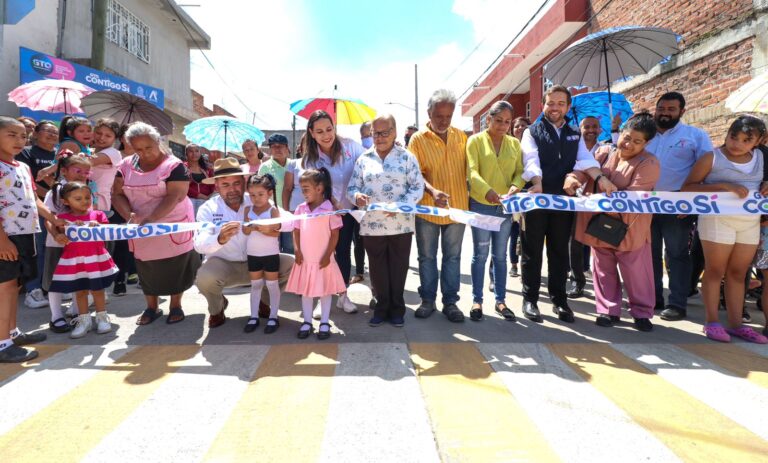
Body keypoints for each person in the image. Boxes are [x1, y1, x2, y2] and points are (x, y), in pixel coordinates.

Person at [520, 85, 617, 323]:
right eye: (551, 103)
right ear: (543, 104)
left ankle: (559, 300)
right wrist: (537, 181)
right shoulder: (532, 131)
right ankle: (530, 299)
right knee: (532, 251)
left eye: (560, 104)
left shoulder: (575, 132)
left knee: (559, 251)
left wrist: (601, 178)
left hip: (564, 201)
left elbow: (585, 160)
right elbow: (530, 160)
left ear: (568, 106)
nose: (555, 108)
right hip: (537, 197)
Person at [568, 112, 660, 331]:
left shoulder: (650, 163)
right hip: (599, 225)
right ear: (621, 132)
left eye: (637, 142)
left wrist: (600, 194)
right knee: (602, 270)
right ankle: (607, 310)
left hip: (631, 227)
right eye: (626, 137)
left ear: (646, 143)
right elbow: (583, 170)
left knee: (637, 273)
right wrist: (573, 179)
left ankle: (641, 312)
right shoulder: (603, 152)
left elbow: (631, 196)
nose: (628, 144)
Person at [681, 115, 768, 343]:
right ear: (727, 134)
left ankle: (736, 325)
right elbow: (688, 188)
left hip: (750, 222)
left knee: (739, 274)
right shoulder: (712, 157)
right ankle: (711, 322)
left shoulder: (761, 157)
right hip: (717, 220)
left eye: (745, 140)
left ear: (758, 142)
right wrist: (724, 186)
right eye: (733, 136)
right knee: (715, 271)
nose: (737, 143)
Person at [111, 122, 200, 326]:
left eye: (148, 147)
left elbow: (175, 196)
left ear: (157, 142)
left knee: (175, 266)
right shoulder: (125, 166)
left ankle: (175, 305)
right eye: (138, 149)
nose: (144, 153)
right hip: (140, 225)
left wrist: (151, 219)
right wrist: (130, 216)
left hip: (170, 222)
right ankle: (151, 306)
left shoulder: (174, 165)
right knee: (146, 266)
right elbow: (116, 194)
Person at [194, 158, 294, 327]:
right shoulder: (208, 209)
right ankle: (217, 309)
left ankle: (264, 302)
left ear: (244, 182)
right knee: (204, 277)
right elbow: (199, 244)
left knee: (293, 264)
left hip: (259, 262)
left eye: (236, 183)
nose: (232, 189)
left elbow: (291, 220)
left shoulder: (256, 197)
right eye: (225, 185)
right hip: (225, 266)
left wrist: (274, 226)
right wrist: (219, 239)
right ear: (216, 186)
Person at [283, 110, 365, 315]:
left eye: (329, 129)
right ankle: (322, 297)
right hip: (323, 215)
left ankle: (343, 296)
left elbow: (366, 167)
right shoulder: (309, 160)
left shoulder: (351, 146)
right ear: (311, 133)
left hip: (349, 211)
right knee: (322, 255)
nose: (326, 135)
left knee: (343, 252)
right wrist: (332, 203)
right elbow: (313, 187)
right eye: (319, 131)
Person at [348, 114, 425, 327]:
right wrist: (357, 197)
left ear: (395, 132)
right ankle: (381, 308)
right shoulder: (364, 159)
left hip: (400, 224)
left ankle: (397, 310)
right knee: (377, 269)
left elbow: (418, 187)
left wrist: (402, 205)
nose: (380, 137)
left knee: (398, 267)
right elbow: (352, 188)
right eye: (375, 133)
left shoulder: (407, 157)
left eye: (385, 132)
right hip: (372, 225)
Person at [0, 117, 63, 363]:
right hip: (6, 237)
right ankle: (2, 344)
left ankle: (12, 333)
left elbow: (33, 199)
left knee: (15, 285)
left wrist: (54, 218)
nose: (19, 140)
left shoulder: (22, 167)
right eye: (11, 135)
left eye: (21, 135)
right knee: (4, 288)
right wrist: (2, 240)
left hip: (26, 233)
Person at [646, 92, 714, 321]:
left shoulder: (695, 136)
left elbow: (707, 168)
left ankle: (677, 303)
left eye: (671, 109)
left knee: (676, 253)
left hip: (679, 203)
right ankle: (653, 298)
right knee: (649, 253)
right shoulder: (645, 133)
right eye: (661, 108)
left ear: (682, 111)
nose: (665, 113)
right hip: (645, 203)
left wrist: (692, 201)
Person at [409, 89, 469, 323]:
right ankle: (427, 300)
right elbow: (415, 174)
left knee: (453, 257)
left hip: (457, 209)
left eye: (448, 116)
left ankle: (451, 302)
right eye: (438, 116)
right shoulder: (418, 139)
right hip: (428, 209)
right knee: (427, 257)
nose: (443, 121)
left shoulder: (461, 136)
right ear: (429, 113)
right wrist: (432, 191)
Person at [467, 101, 523, 322]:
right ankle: (476, 300)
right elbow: (471, 171)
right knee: (480, 255)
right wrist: (487, 190)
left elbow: (520, 172)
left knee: (500, 256)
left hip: (505, 207)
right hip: (481, 204)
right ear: (488, 120)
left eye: (507, 122)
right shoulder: (475, 141)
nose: (503, 125)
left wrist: (515, 187)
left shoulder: (514, 144)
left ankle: (501, 301)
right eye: (498, 120)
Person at [48, 182, 118, 338]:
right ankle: (84, 320)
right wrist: (61, 232)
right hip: (75, 260)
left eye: (87, 197)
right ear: (66, 201)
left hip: (95, 258)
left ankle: (101, 318)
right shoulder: (63, 218)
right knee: (80, 291)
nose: (84, 201)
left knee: (98, 290)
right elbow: (57, 229)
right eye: (78, 198)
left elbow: (107, 231)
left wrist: (97, 225)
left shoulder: (98, 215)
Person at [287, 168, 347, 340]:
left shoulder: (330, 208)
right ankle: (306, 322)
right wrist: (297, 250)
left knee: (325, 292)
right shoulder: (300, 209)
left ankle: (325, 322)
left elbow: (335, 233)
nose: (303, 192)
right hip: (305, 259)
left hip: (323, 259)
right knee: (306, 292)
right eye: (301, 188)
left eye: (306, 189)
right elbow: (296, 230)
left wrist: (328, 255)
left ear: (319, 188)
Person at [42, 153, 93, 333]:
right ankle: (56, 316)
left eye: (86, 172)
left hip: (79, 245)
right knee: (55, 280)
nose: (82, 174)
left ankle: (76, 310)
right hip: (57, 244)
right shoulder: (55, 191)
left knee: (77, 277)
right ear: (64, 171)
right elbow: (49, 218)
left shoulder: (86, 190)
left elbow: (90, 215)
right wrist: (56, 235)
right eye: (77, 170)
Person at [18, 120, 59, 309]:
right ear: (36, 133)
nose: (52, 135)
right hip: (35, 209)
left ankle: (52, 286)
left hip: (58, 208)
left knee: (56, 248)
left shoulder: (60, 155)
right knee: (37, 250)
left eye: (55, 132)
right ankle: (33, 290)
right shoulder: (26, 153)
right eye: (47, 131)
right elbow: (29, 185)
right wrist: (51, 197)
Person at [241, 174, 283, 334]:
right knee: (256, 285)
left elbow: (276, 233)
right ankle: (253, 316)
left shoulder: (273, 210)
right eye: (252, 195)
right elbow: (244, 231)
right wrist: (249, 227)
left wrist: (263, 229)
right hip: (253, 254)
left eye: (260, 194)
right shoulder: (247, 209)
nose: (256, 198)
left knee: (272, 285)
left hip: (270, 254)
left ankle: (273, 316)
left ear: (270, 193)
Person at [567, 116, 602, 299]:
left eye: (594, 126)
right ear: (580, 130)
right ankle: (577, 282)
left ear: (600, 130)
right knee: (575, 244)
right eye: (586, 126)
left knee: (600, 246)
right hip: (575, 202)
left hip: (598, 205)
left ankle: (603, 286)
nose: (590, 130)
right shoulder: (572, 149)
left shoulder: (608, 150)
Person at [258, 134, 292, 252]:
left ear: (287, 147)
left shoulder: (293, 165)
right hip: (271, 215)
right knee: (273, 249)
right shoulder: (264, 168)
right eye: (274, 146)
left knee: (290, 249)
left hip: (290, 214)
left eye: (281, 146)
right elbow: (260, 192)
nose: (278, 149)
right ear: (270, 149)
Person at [89, 118, 123, 213]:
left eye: (108, 136)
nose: (102, 138)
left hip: (99, 202)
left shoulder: (113, 153)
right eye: (99, 133)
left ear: (115, 139)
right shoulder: (88, 149)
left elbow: (85, 162)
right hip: (79, 198)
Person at [185, 143, 215, 216]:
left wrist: (210, 196)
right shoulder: (182, 167)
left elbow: (213, 184)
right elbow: (183, 187)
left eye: (196, 151)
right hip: (189, 200)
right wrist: (199, 195)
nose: (194, 154)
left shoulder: (207, 169)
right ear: (186, 153)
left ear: (200, 153)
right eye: (191, 151)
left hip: (207, 200)